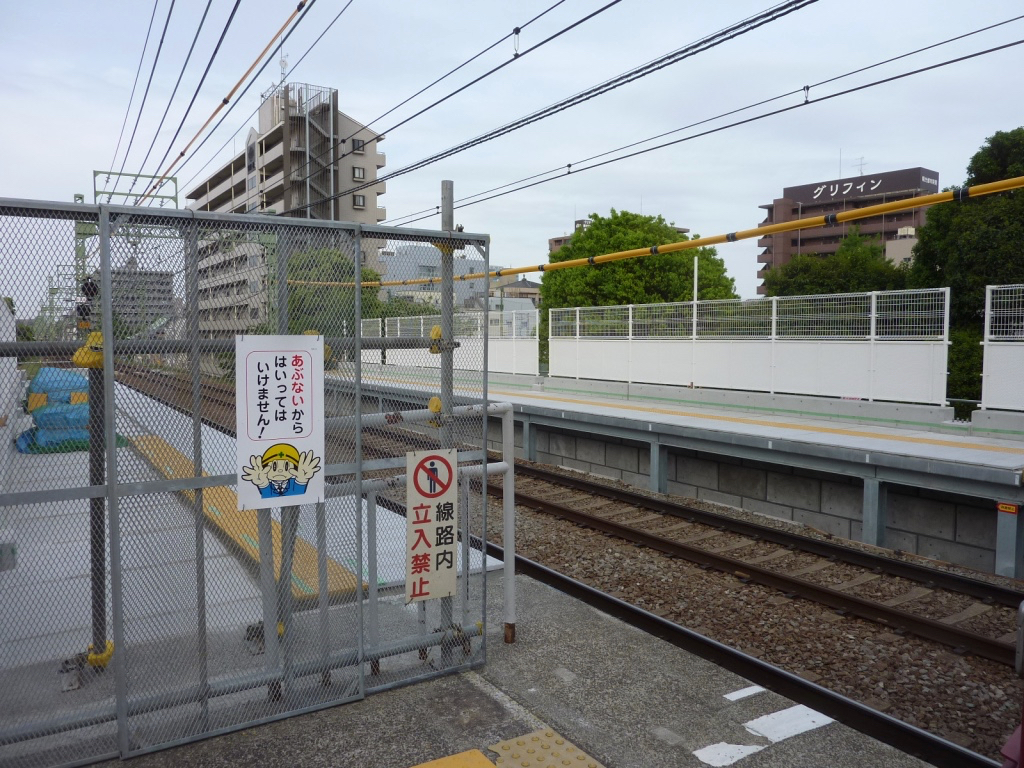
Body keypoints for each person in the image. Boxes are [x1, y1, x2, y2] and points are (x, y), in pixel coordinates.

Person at [242, 443, 321, 498]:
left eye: (286, 466)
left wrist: (302, 480)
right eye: (274, 466)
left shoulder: (295, 483)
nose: (280, 470)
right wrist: (263, 484)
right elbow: (266, 496)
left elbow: (299, 494)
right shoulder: (266, 484)